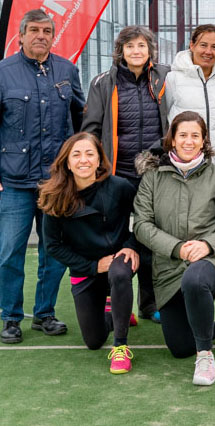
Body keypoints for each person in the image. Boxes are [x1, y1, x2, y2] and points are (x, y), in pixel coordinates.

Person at [0, 8, 85, 344]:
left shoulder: (66, 71)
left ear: (53, 36)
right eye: (34, 30)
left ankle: (44, 314)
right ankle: (11, 318)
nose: (41, 36)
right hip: (14, 184)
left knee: (54, 253)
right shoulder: (2, 73)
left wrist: (79, 169)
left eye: (47, 31)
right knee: (10, 251)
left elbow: (82, 122)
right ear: (21, 36)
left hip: (56, 183)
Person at [133, 111, 215, 386]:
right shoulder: (153, 177)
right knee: (180, 347)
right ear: (172, 139)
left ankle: (205, 356)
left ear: (204, 141)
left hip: (208, 262)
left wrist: (207, 245)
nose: (188, 141)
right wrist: (177, 248)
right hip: (168, 266)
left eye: (195, 136)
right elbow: (141, 225)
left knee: (195, 280)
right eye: (182, 135)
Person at [82, 25, 167, 324]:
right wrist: (95, 169)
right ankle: (117, 303)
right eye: (130, 46)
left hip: (153, 175)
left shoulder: (164, 78)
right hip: (116, 174)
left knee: (148, 238)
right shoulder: (103, 83)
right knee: (113, 239)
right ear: (120, 51)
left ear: (150, 50)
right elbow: (91, 129)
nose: (136, 51)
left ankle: (149, 303)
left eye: (141, 45)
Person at [39, 133, 140, 374]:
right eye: (76, 155)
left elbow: (146, 220)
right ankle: (116, 309)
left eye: (89, 154)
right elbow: (53, 246)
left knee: (119, 272)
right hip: (86, 268)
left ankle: (120, 346)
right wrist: (93, 266)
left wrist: (131, 245)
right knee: (93, 341)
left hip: (119, 261)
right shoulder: (54, 196)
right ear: (67, 162)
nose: (83, 160)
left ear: (99, 160)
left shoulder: (120, 187)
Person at [163, 24, 215, 163]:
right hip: (185, 161)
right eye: (203, 45)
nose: (208, 51)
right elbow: (165, 117)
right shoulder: (173, 78)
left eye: (214, 47)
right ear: (192, 45)